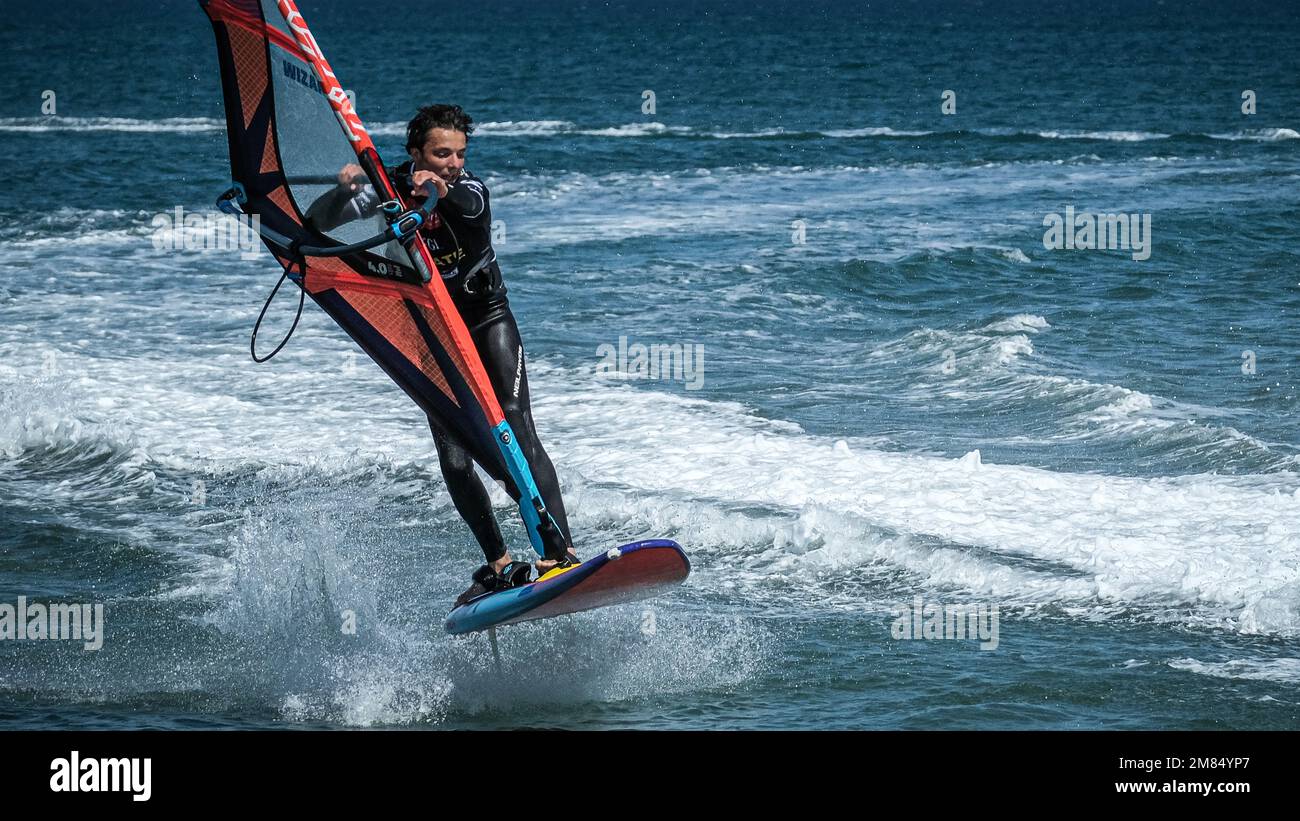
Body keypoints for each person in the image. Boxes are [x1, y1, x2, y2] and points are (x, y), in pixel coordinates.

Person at [306, 104, 577, 606]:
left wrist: (432, 188)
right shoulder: (384, 189)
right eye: (440, 153)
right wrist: (343, 192)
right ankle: (498, 565)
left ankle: (559, 553)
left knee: (515, 425)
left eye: (459, 153)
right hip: (436, 335)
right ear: (415, 153)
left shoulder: (469, 189)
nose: (452, 161)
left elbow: (450, 200)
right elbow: (316, 224)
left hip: (486, 320)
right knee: (454, 460)